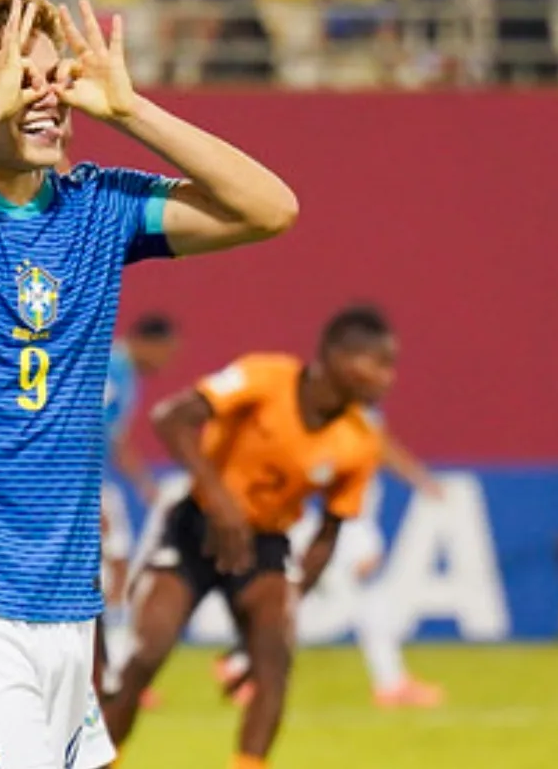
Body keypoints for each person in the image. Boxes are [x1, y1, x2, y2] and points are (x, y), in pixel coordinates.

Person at [0, 0, 299, 768]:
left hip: (66, 604)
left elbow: (271, 209)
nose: (43, 95)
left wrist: (131, 111)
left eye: (51, 76)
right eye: (15, 77)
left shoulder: (98, 209)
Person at [104, 305, 398, 769]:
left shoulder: (360, 440)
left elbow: (327, 534)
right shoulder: (264, 377)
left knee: (273, 666)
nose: (387, 378)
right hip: (195, 527)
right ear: (336, 357)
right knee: (146, 654)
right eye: (377, 363)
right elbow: (170, 418)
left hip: (263, 545)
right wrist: (220, 499)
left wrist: (291, 602)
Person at [213, 430, 447, 710]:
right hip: (327, 518)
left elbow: (375, 446)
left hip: (327, 516)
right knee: (331, 595)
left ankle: (391, 682)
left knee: (350, 598)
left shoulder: (352, 420)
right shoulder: (342, 418)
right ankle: (241, 661)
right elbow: (363, 449)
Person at [97, 313, 178, 698]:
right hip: (78, 482)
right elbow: (83, 427)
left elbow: (116, 439)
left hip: (91, 481)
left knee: (116, 565)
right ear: (148, 342)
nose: (166, 361)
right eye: (165, 351)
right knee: (115, 566)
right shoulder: (111, 367)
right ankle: (113, 672)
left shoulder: (125, 373)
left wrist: (143, 484)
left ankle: (112, 669)